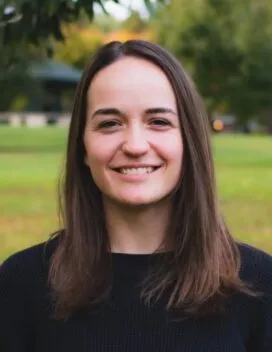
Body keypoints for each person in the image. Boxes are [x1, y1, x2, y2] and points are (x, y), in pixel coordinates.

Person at [0, 40, 271, 352]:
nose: (135, 145)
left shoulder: (260, 286)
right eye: (110, 123)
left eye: (158, 122)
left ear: (188, 141)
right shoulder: (20, 285)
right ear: (83, 148)